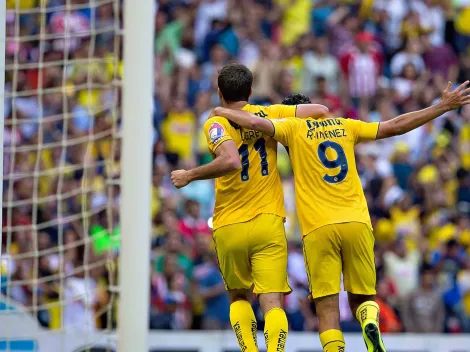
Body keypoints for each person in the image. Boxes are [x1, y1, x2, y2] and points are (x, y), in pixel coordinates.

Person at [211, 81, 470, 352]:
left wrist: (220, 110)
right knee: (363, 298)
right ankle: (370, 321)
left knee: (327, 309)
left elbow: (254, 121)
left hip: (318, 228)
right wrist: (442, 107)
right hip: (356, 221)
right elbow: (396, 125)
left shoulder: (291, 127)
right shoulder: (345, 125)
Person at [170, 62, 328, 352]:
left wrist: (189, 174)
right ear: (251, 91)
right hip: (267, 222)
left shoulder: (215, 123)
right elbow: (319, 110)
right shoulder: (266, 114)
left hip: (229, 224)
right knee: (272, 300)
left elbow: (230, 161)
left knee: (238, 297)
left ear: (219, 92)